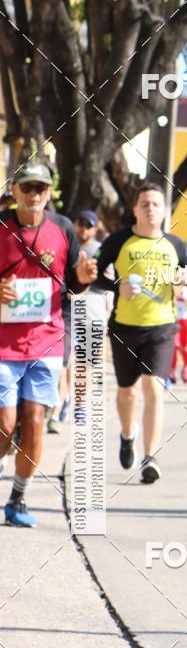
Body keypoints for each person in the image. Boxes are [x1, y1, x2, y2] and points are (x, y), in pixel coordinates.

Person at [0, 162, 97, 526]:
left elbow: (73, 284)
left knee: (36, 421)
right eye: (27, 187)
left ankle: (17, 500)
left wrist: (83, 280)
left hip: (47, 341)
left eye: (41, 188)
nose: (34, 194)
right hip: (3, 345)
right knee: (5, 425)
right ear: (14, 190)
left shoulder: (63, 228)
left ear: (48, 192)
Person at [92, 182, 187, 483]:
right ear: (135, 209)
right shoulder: (118, 241)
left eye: (156, 204)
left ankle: (150, 457)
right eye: (145, 204)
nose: (150, 209)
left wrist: (184, 279)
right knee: (127, 392)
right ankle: (127, 433)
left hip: (161, 326)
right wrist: (116, 286)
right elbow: (93, 273)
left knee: (153, 388)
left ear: (165, 210)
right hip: (124, 326)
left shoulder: (176, 244)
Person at [47, 210, 103, 434]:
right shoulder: (66, 244)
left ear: (95, 228)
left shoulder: (100, 250)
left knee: (83, 364)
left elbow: (108, 281)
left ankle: (79, 404)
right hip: (67, 311)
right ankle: (57, 409)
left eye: (89, 225)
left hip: (92, 313)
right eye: (81, 223)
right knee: (63, 363)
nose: (83, 228)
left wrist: (85, 282)